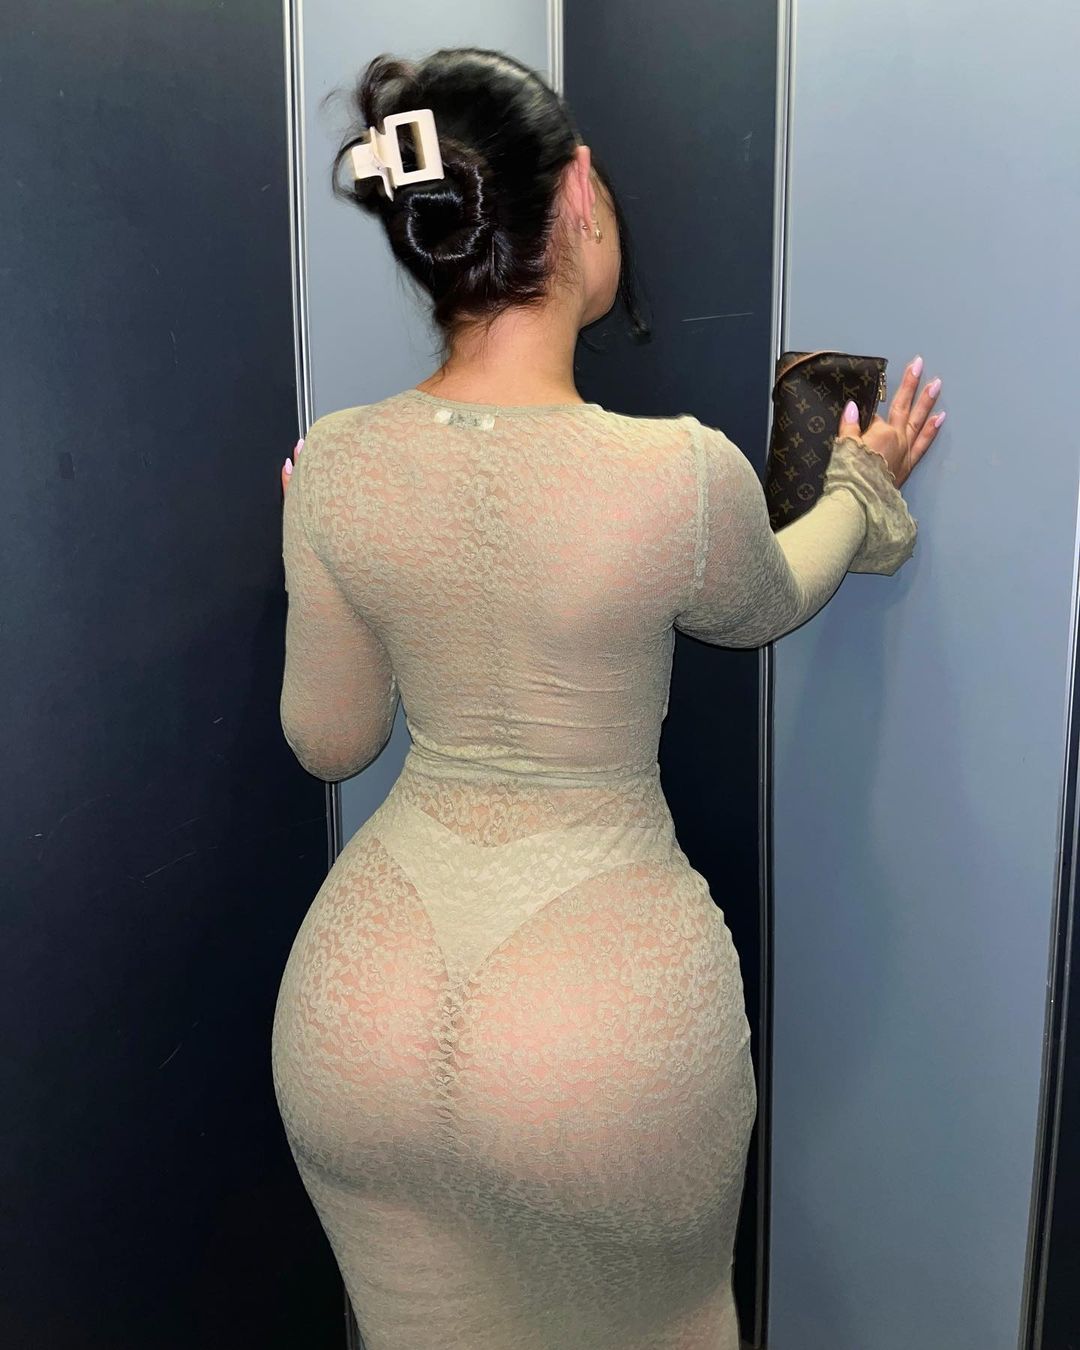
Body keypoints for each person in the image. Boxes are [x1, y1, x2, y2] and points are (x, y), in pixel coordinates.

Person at [271, 46, 943, 1350]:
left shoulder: (339, 463)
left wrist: (317, 549)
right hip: (598, 1026)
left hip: (360, 1013)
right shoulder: (677, 474)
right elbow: (769, 600)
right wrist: (859, 485)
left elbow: (331, 739)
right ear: (579, 190)